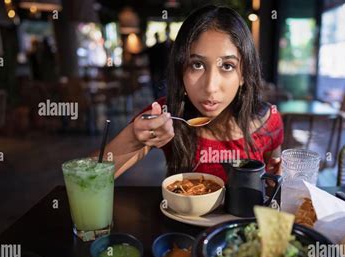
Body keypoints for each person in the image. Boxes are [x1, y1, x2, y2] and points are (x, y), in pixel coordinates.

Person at [99, 5, 283, 183]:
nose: (210, 87)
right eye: (197, 65)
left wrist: (275, 180)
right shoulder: (166, 116)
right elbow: (85, 179)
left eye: (227, 66)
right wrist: (132, 138)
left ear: (243, 74)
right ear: (181, 70)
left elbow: (273, 177)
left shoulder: (267, 121)